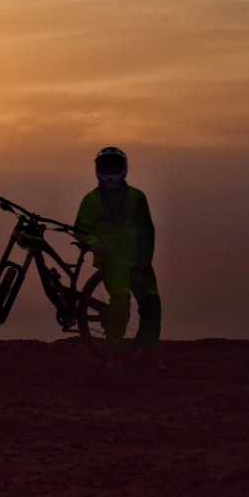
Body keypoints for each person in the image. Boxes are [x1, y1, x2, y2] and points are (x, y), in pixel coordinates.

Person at [74, 147, 165, 371]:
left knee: (151, 301)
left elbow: (146, 230)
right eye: (106, 166)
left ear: (123, 168)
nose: (110, 171)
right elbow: (81, 228)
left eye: (114, 166)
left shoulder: (137, 197)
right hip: (112, 260)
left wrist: (145, 256)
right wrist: (95, 243)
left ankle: (150, 352)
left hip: (137, 259)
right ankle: (114, 352)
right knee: (120, 300)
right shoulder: (91, 200)